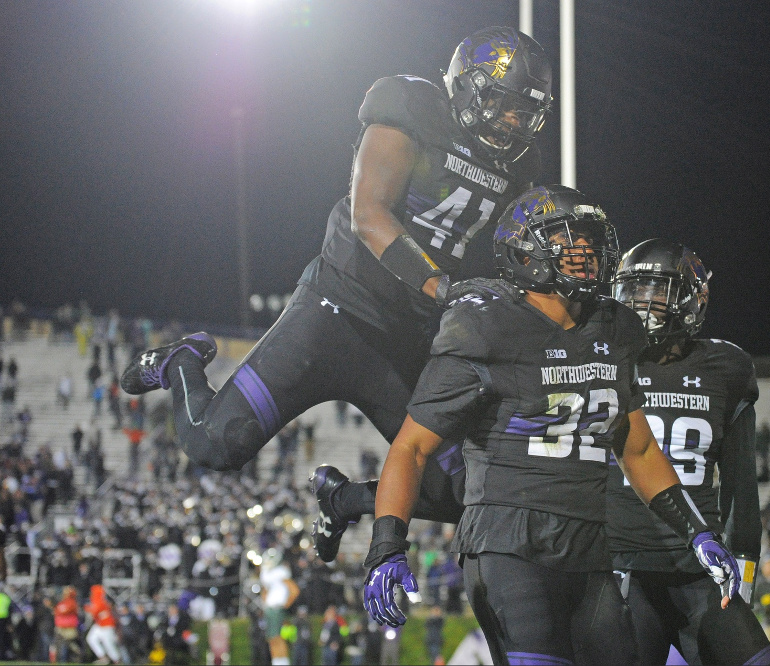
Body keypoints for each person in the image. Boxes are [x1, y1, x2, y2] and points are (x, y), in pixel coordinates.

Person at [118, 27, 553, 554]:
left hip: (406, 338)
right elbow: (368, 213)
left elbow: (525, 249)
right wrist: (444, 288)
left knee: (470, 490)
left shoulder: (519, 164)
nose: (512, 122)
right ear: (468, 86)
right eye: (503, 105)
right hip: (334, 313)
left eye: (523, 113)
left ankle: (343, 501)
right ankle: (181, 362)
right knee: (215, 444)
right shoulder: (412, 104)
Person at [359, 187, 742, 665]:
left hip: (590, 549)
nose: (585, 252)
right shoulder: (486, 324)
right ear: (523, 248)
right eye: (568, 240)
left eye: (590, 241)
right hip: (509, 546)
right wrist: (388, 546)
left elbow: (638, 449)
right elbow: (412, 447)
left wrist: (698, 532)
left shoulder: (615, 327)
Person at [605, 239, 770, 665]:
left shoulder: (727, 367)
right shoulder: (605, 358)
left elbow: (740, 485)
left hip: (699, 563)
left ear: (692, 299)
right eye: (634, 289)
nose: (642, 303)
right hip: (623, 564)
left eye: (657, 290)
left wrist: (746, 566)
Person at [84, 584, 122, 665]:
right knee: (91, 639)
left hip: (107, 625)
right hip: (100, 625)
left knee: (109, 644)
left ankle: (117, 661)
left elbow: (95, 612)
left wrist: (87, 608)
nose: (91, 594)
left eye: (92, 592)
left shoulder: (100, 602)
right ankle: (103, 657)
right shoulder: (100, 601)